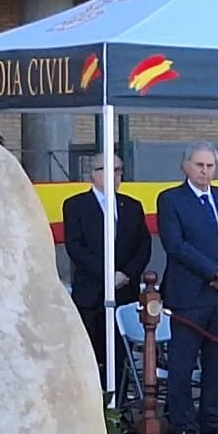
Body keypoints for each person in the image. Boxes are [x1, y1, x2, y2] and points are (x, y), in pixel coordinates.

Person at [156, 141, 218, 434]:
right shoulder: (171, 199)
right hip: (189, 293)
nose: (205, 171)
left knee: (217, 361)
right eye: (199, 165)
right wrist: (214, 272)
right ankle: (183, 423)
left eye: (210, 166)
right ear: (185, 166)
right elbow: (176, 244)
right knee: (183, 362)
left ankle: (213, 422)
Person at [62, 150, 149, 395]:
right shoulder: (76, 205)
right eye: (109, 170)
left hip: (124, 293)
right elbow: (76, 247)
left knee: (120, 357)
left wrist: (126, 274)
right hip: (92, 294)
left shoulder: (131, 206)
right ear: (93, 174)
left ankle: (118, 410)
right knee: (92, 356)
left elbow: (143, 246)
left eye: (119, 170)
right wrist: (107, 275)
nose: (115, 175)